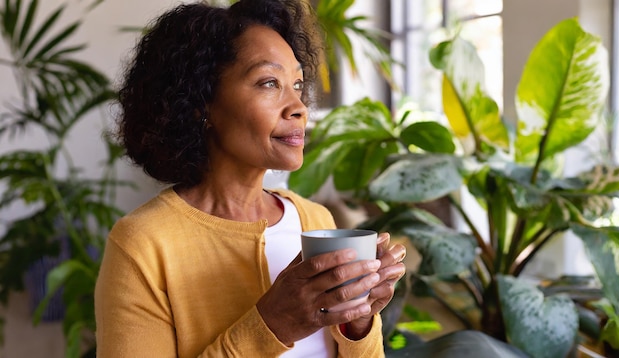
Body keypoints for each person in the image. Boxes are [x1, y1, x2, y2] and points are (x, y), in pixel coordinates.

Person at [94, 0, 407, 357]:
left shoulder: (316, 221)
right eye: (269, 82)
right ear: (201, 104)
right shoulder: (143, 245)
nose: (299, 107)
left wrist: (359, 322)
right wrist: (274, 324)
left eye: (298, 83)